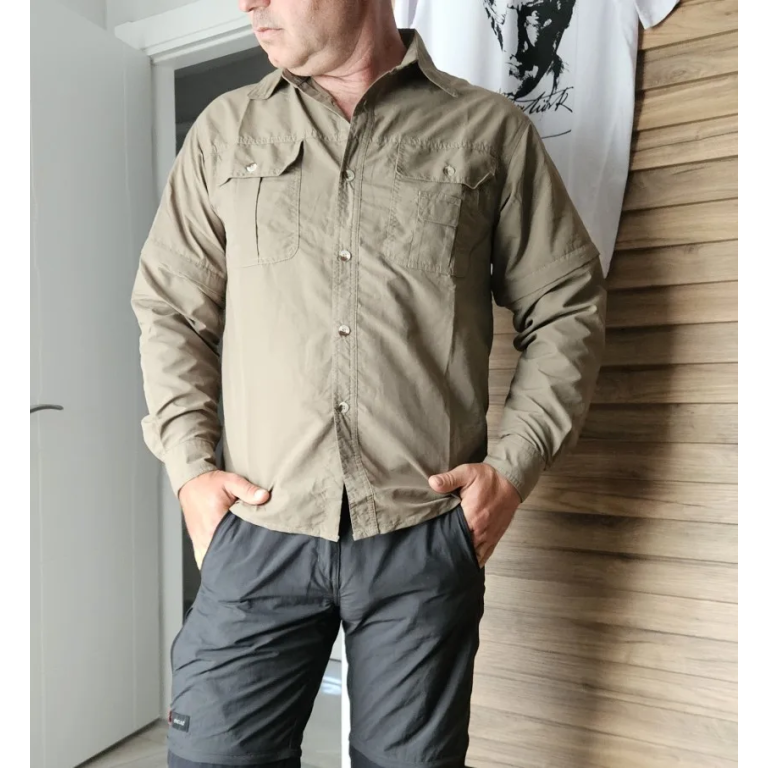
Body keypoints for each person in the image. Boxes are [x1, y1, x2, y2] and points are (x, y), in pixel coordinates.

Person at [130, 0, 607, 766]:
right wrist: (190, 471)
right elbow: (170, 311)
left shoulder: (488, 131)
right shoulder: (225, 131)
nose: (249, 3)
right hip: (258, 530)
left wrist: (512, 471)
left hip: (423, 537)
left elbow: (566, 305)